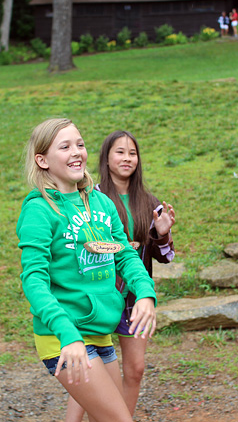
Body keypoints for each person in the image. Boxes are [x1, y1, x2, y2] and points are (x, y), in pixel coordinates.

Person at [17, 118, 158, 422]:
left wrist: (145, 293)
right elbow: (34, 281)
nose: (77, 152)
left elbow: (125, 256)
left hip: (99, 333)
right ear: (43, 160)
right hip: (63, 338)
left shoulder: (101, 203)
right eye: (65, 146)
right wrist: (68, 336)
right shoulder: (39, 210)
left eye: (79, 144)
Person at [66, 130, 176, 420]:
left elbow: (164, 258)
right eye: (120, 152)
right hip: (100, 293)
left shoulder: (150, 201)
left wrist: (162, 234)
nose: (127, 158)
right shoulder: (91, 197)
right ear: (106, 156)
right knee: (90, 369)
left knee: (135, 369)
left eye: (133, 153)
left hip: (135, 300)